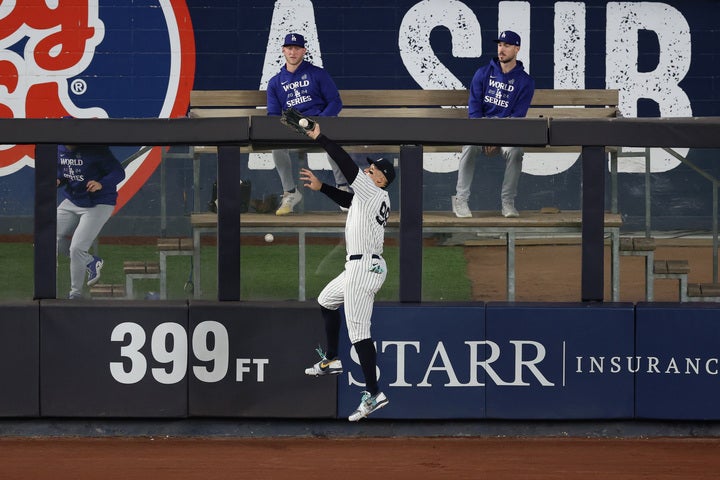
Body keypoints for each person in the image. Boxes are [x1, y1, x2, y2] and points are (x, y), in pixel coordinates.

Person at [299, 120, 395, 422]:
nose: (368, 169)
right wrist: (322, 187)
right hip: (362, 264)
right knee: (326, 300)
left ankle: (373, 392)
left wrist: (319, 137)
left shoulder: (372, 191)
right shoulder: (371, 197)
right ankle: (332, 359)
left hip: (363, 266)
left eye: (373, 169)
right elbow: (348, 200)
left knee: (358, 332)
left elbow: (344, 161)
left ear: (381, 179)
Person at [451, 30, 535, 218]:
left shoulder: (525, 82)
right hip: (481, 131)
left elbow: (517, 118)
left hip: (505, 134)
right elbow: (474, 110)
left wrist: (497, 138)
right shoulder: (483, 73)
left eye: (506, 46)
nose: (501, 49)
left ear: (517, 48)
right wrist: (486, 136)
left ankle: (508, 202)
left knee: (516, 151)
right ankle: (461, 199)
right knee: (469, 146)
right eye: (499, 45)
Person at [267, 32, 349, 215]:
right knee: (276, 146)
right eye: (289, 48)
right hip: (292, 128)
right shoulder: (275, 82)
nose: (293, 52)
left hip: (319, 125)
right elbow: (273, 115)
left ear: (304, 51)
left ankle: (342, 190)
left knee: (334, 143)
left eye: (297, 48)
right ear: (283, 50)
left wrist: (321, 121)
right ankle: (290, 192)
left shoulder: (317, 74)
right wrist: (288, 125)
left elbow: (336, 102)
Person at [57, 144, 125, 299]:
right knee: (48, 238)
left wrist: (102, 183)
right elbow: (63, 174)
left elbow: (118, 172)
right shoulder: (58, 148)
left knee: (77, 248)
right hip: (73, 199)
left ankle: (75, 294)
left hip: (100, 202)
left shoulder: (95, 148)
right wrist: (58, 180)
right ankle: (90, 261)